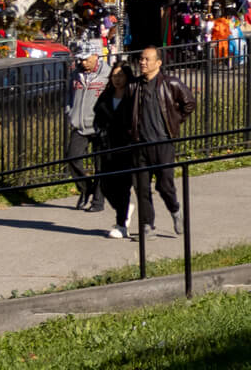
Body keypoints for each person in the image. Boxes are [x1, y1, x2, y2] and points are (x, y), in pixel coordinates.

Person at [120, 45, 196, 239]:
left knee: (164, 185)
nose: (143, 62)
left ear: (158, 63)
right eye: (141, 59)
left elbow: (189, 103)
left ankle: (175, 211)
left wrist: (175, 120)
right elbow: (126, 112)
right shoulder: (134, 86)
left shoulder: (170, 83)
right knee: (142, 187)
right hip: (140, 145)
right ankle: (147, 226)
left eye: (147, 59)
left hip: (162, 143)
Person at [91, 59, 139, 238]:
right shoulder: (106, 95)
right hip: (106, 145)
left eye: (121, 75)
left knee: (123, 185)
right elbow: (97, 115)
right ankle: (125, 209)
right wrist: (98, 131)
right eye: (114, 76)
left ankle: (121, 224)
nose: (117, 79)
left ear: (127, 76)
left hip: (126, 147)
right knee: (106, 185)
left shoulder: (133, 95)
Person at [64, 42, 106, 210]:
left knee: (101, 166)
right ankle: (86, 188)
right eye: (80, 59)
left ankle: (98, 201)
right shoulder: (76, 74)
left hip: (100, 126)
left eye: (86, 59)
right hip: (79, 125)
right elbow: (69, 95)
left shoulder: (108, 74)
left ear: (96, 56)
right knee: (72, 157)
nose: (83, 62)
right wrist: (69, 111)